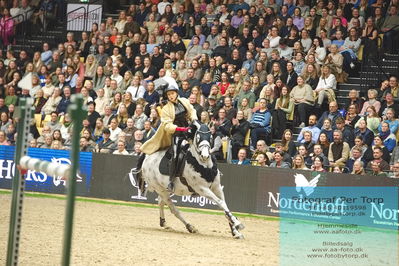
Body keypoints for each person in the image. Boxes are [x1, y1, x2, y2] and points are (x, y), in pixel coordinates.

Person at [133, 77, 198, 192]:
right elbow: (167, 125)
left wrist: (194, 120)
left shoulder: (184, 101)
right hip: (176, 133)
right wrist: (180, 128)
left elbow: (192, 110)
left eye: (172, 93)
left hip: (189, 129)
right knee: (176, 152)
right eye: (169, 95)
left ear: (176, 93)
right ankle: (171, 181)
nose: (171, 96)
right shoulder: (166, 108)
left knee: (202, 141)